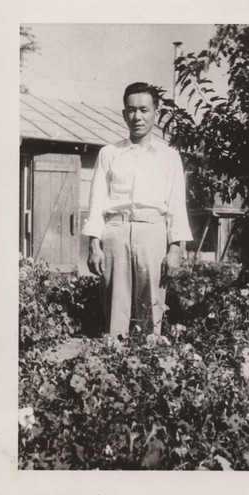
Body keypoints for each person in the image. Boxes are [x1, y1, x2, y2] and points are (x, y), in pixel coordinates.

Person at [82, 82, 193, 338]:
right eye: (131, 110)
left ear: (155, 112)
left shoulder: (169, 156)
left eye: (144, 109)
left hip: (153, 233)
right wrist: (94, 245)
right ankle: (113, 364)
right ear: (124, 114)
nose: (137, 117)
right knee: (114, 310)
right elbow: (97, 201)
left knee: (152, 307)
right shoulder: (109, 154)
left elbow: (177, 203)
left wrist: (175, 248)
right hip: (116, 232)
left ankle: (149, 366)